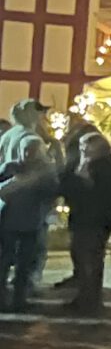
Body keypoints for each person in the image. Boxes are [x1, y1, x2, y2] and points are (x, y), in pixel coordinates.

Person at [1, 100, 61, 313]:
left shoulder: (8, 135)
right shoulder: (32, 139)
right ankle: (19, 298)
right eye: (39, 113)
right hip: (29, 210)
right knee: (25, 258)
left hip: (7, 207)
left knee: (5, 256)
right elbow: (48, 178)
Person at [60, 131, 111, 316]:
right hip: (92, 218)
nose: (82, 150)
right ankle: (87, 297)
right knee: (87, 259)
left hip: (92, 220)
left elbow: (87, 191)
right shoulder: (106, 165)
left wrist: (82, 175)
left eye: (85, 146)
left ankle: (89, 301)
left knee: (88, 259)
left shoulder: (102, 167)